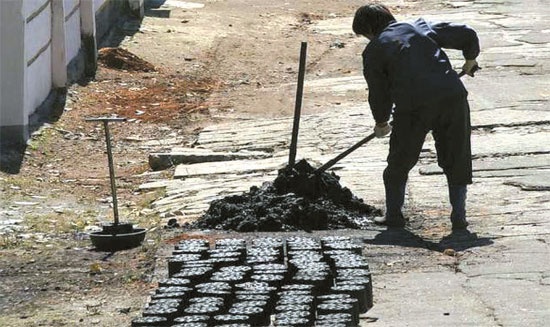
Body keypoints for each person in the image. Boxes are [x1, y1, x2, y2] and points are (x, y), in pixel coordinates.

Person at [352, 4, 480, 229]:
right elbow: (467, 33)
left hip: (413, 107)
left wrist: (381, 122)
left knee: (398, 163)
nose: (367, 39)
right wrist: (470, 59)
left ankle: (393, 216)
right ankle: (459, 217)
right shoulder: (419, 26)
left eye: (365, 35)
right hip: (452, 98)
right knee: (457, 157)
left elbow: (378, 92)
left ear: (369, 29)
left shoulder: (374, 50)